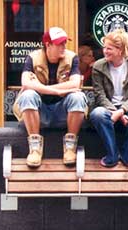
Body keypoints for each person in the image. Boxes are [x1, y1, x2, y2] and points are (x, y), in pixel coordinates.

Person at [13, 27, 88, 167]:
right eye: (60, 44)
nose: (64, 47)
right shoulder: (33, 58)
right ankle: (35, 149)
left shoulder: (72, 58)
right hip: (40, 113)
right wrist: (56, 91)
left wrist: (41, 87)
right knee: (28, 95)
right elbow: (26, 83)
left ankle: (70, 148)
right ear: (48, 45)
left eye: (65, 43)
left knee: (78, 97)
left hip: (63, 113)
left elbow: (75, 83)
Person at [90, 29, 128, 167]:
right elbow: (99, 95)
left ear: (121, 50)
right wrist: (115, 112)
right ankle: (112, 154)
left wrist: (122, 111)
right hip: (107, 109)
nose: (105, 51)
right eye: (104, 47)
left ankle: (127, 150)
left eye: (109, 48)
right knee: (97, 114)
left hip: (127, 108)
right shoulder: (98, 66)